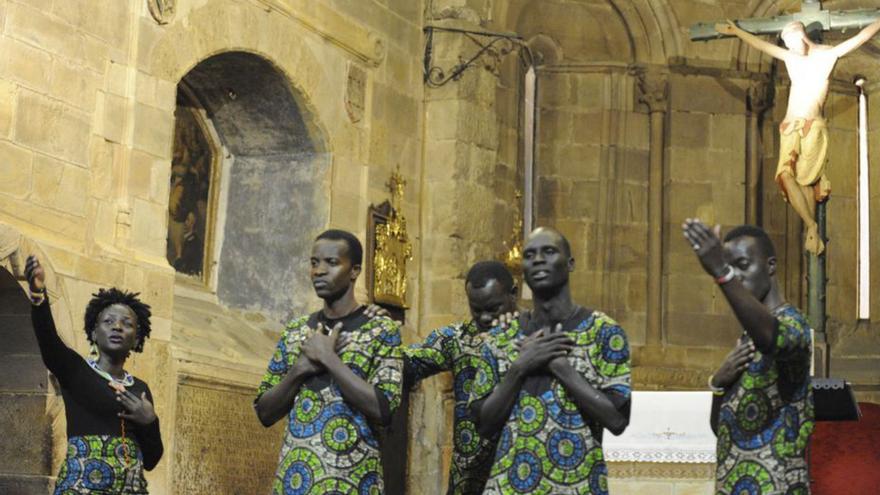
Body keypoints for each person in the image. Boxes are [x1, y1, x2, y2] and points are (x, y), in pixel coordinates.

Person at [469, 227, 632, 494]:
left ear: (570, 264)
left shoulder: (604, 332)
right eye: (530, 255)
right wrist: (520, 368)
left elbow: (617, 421)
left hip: (578, 485)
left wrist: (561, 369)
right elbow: (484, 426)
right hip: (509, 486)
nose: (538, 260)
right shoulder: (502, 336)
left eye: (549, 251)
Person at [253, 229, 403, 495]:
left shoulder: (381, 330)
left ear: (354, 270)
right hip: (296, 481)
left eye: (331, 263)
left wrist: (329, 360)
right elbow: (265, 412)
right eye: (314, 263)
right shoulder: (297, 331)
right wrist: (301, 369)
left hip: (353, 482)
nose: (319, 271)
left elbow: (383, 409)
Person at [717, 18, 880, 255]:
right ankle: (811, 225)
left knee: (805, 180)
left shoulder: (828, 56)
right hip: (789, 126)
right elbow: (763, 47)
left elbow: (862, 37)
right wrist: (737, 32)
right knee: (784, 176)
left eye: (792, 42)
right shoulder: (793, 58)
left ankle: (812, 227)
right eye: (787, 44)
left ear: (802, 37)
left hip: (812, 126)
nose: (790, 48)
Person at [682, 220, 813, 494]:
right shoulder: (747, 336)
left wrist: (721, 272)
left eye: (743, 265)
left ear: (771, 266)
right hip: (733, 482)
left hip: (775, 484)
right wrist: (718, 385)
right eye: (731, 268)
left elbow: (772, 339)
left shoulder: (793, 324)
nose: (737, 276)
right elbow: (724, 429)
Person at [25, 256, 163, 494]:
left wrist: (149, 422)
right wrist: (39, 297)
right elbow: (49, 341)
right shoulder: (76, 372)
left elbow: (151, 459)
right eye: (108, 321)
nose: (117, 327)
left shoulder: (141, 388)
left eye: (126, 323)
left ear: (137, 339)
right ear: (94, 333)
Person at [405, 261, 519, 495]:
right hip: (468, 476)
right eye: (477, 310)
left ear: (513, 295)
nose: (485, 318)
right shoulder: (458, 339)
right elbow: (407, 363)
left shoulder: (532, 337)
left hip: (515, 469)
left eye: (494, 308)